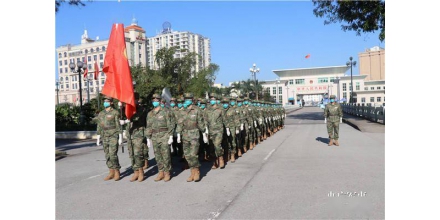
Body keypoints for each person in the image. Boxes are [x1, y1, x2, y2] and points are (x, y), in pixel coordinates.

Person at [176, 93, 207, 182]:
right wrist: (178, 134)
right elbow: (180, 123)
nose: (187, 100)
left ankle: (196, 171)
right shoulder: (182, 111)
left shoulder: (197, 110)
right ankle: (192, 172)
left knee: (194, 154)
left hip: (194, 134)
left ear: (192, 100)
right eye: (186, 99)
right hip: (185, 135)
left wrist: (204, 133)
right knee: (187, 155)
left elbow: (201, 123)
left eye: (189, 99)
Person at [146, 94, 174, 182]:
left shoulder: (166, 111)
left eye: (157, 100)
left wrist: (171, 136)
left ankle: (167, 172)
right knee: (157, 156)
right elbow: (148, 126)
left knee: (166, 155)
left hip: (164, 135)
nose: (155, 101)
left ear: (160, 101)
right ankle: (160, 172)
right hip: (154, 136)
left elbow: (171, 124)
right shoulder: (150, 113)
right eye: (153, 100)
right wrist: (148, 138)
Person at [120, 92, 146, 182]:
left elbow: (136, 118)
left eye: (132, 100)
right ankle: (135, 171)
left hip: (138, 133)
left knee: (138, 153)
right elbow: (123, 114)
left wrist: (126, 121)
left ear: (137, 100)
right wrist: (121, 106)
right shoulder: (128, 108)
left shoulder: (142, 108)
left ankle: (141, 171)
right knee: (131, 154)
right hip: (130, 133)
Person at [96, 96, 123, 181]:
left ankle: (117, 171)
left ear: (111, 102)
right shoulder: (101, 113)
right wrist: (98, 137)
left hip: (113, 135)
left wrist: (120, 137)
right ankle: (111, 171)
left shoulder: (115, 112)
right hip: (104, 136)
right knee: (107, 155)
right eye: (104, 101)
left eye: (107, 101)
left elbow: (118, 125)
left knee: (113, 154)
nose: (105, 103)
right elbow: (99, 125)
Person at [206, 93, 225, 169]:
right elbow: (205, 120)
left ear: (216, 100)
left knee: (217, 145)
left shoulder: (220, 108)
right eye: (211, 99)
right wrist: (206, 129)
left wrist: (227, 129)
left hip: (218, 130)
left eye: (213, 99)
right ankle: (214, 161)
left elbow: (224, 119)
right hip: (210, 131)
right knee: (211, 147)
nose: (212, 100)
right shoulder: (208, 109)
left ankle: (220, 158)